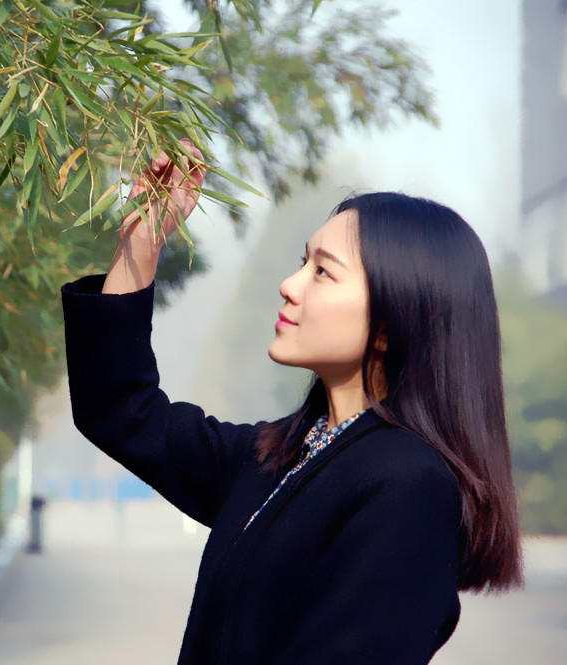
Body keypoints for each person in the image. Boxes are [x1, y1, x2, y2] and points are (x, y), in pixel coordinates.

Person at [60, 139, 524, 664]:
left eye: (323, 272)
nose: (289, 285)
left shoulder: (409, 487)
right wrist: (142, 242)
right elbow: (121, 411)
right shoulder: (284, 454)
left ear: (392, 323)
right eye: (303, 262)